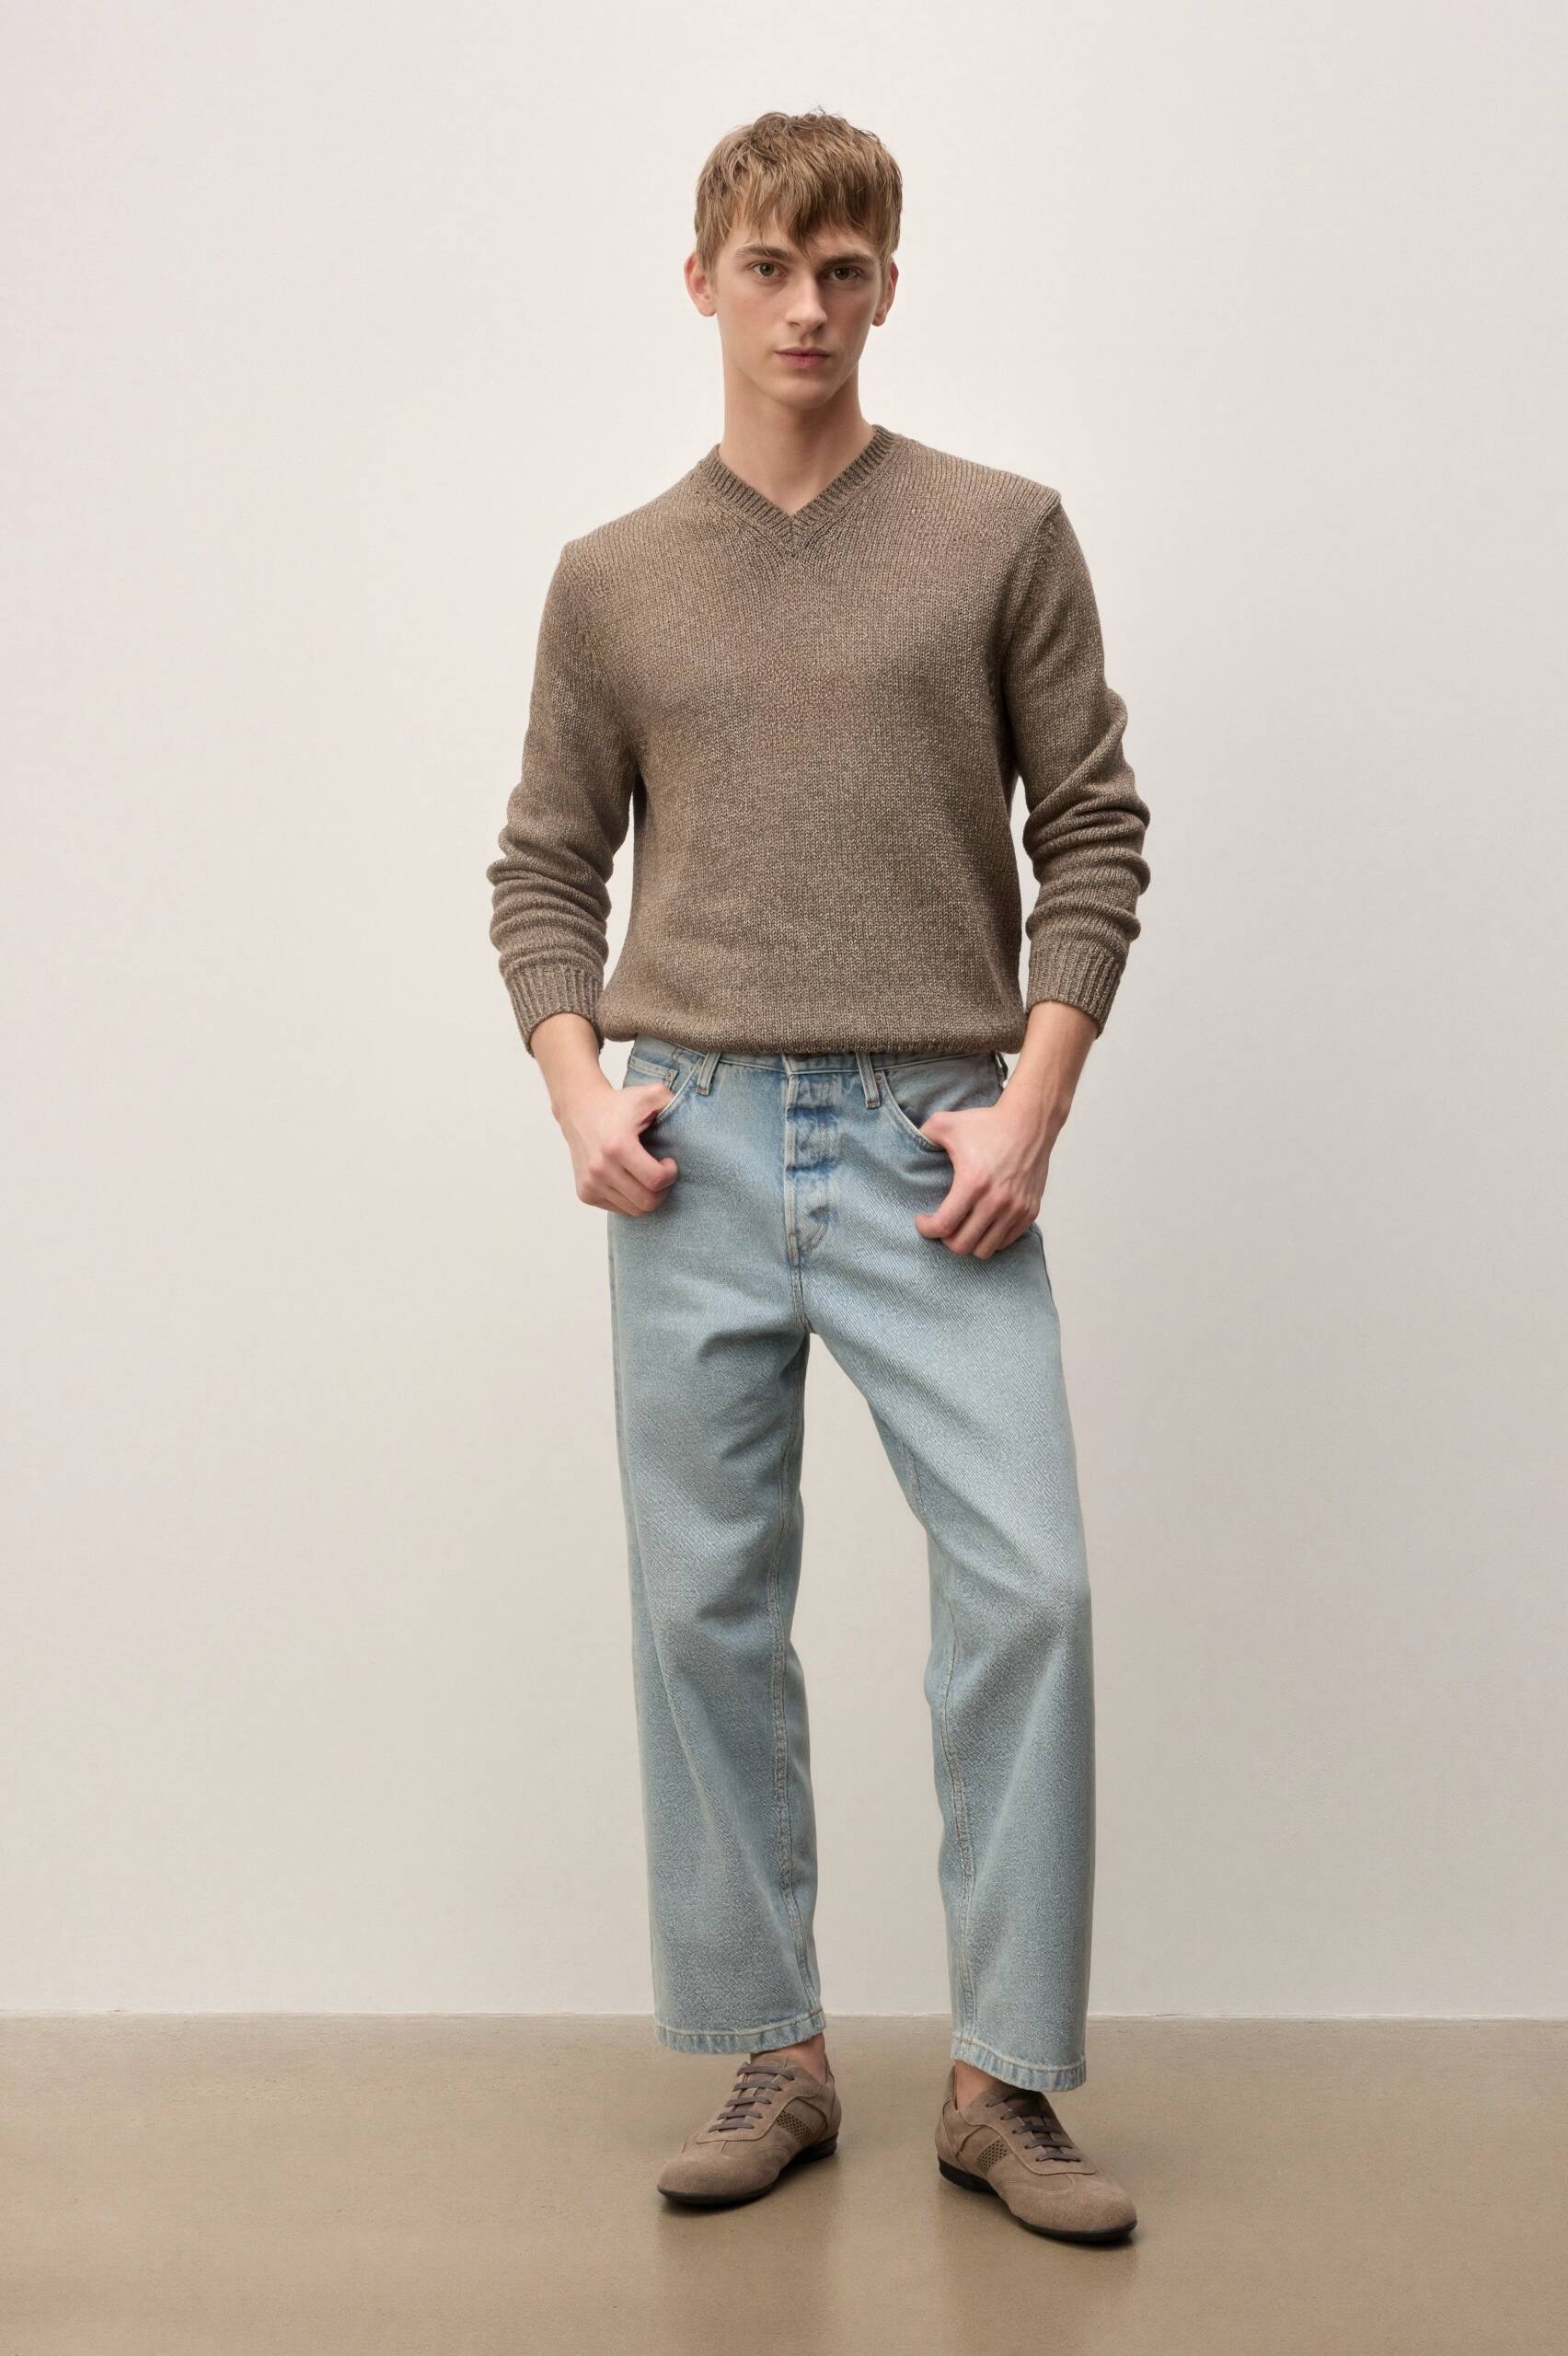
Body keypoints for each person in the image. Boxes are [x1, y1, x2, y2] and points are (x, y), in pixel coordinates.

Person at [486, 108, 1151, 2245]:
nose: (807, 305)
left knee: (1029, 1585)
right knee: (701, 1607)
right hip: (684, 1143)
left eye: (843, 267)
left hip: (928, 1138)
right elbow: (542, 867)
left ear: (886, 284)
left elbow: (1094, 833)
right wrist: (580, 1093)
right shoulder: (612, 577)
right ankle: (772, 2047)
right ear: (702, 281)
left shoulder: (996, 532)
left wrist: (1031, 1103)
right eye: (769, 266)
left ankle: (1002, 2078)